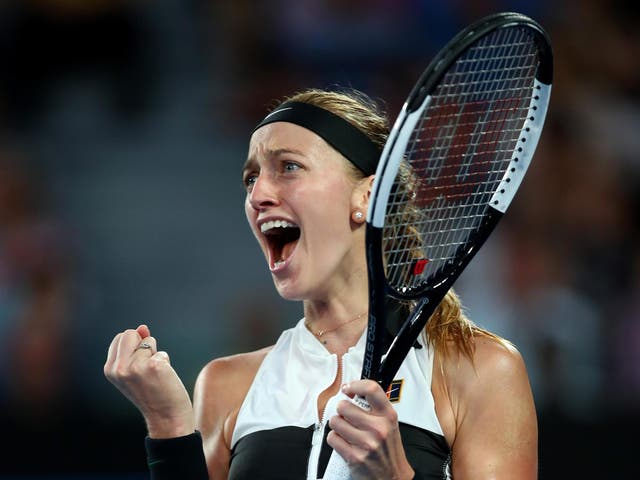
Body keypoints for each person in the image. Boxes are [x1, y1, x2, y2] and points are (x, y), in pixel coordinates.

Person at [104, 88, 538, 479]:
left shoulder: (479, 369)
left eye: (288, 167)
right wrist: (169, 424)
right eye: (251, 178)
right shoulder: (224, 385)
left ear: (366, 198)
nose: (257, 196)